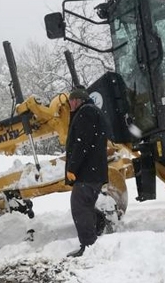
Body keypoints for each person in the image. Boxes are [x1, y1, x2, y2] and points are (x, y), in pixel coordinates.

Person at [64, 87, 109, 257]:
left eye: (71, 101)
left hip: (87, 172)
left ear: (77, 100)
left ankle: (89, 246)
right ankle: (92, 244)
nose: (69, 104)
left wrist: (72, 168)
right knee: (86, 206)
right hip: (93, 171)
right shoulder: (92, 112)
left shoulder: (85, 113)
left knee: (80, 207)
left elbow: (81, 144)